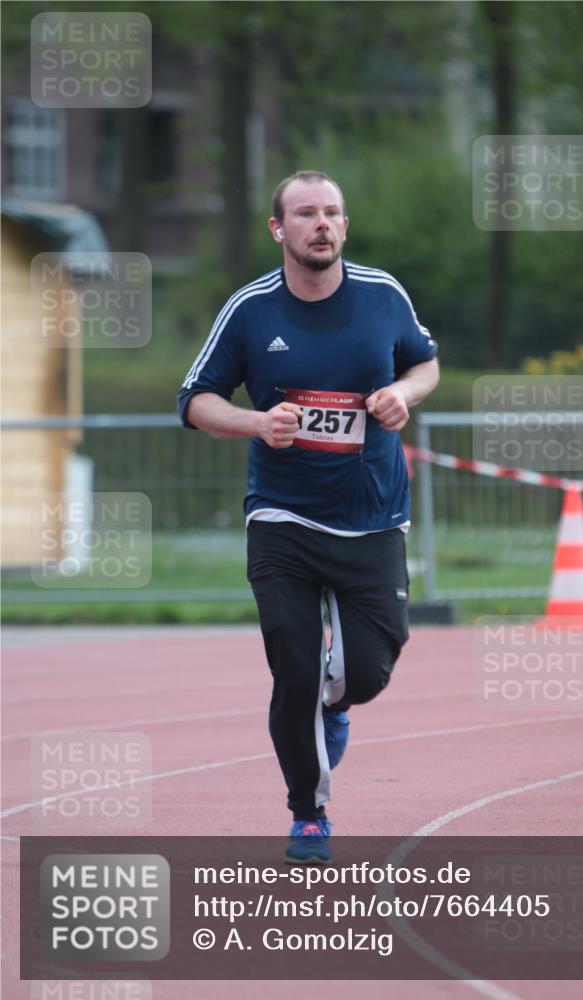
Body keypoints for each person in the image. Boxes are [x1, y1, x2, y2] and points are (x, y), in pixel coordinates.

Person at [177, 169, 439, 863]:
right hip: (282, 520)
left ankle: (338, 700)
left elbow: (426, 364)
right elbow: (195, 400)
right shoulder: (251, 310)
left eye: (332, 213)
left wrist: (402, 394)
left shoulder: (382, 295)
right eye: (305, 214)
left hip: (373, 517)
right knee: (292, 668)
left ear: (344, 227)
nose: (321, 224)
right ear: (278, 229)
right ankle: (308, 811)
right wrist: (258, 422)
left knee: (370, 673)